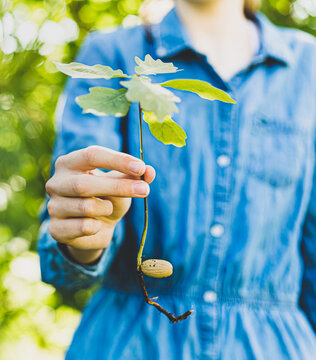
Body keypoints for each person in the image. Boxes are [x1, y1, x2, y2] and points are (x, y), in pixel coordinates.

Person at [37, 0, 316, 358]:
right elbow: (64, 267)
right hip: (130, 344)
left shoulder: (308, 68)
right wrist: (87, 230)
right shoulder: (111, 53)